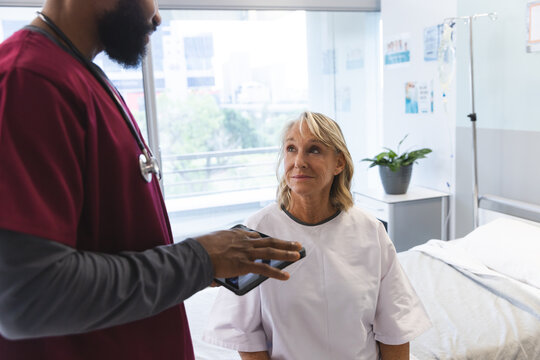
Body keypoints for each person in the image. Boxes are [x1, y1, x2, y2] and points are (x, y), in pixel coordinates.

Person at [0, 0, 303, 359]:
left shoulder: (78, 75)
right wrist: (196, 260)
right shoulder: (29, 80)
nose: (157, 16)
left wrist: (200, 265)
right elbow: (28, 296)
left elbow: (108, 242)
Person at [203, 111, 431, 360]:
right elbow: (244, 334)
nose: (299, 161)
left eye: (314, 150)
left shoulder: (370, 231)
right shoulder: (258, 231)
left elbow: (395, 328)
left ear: (339, 163)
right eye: (291, 148)